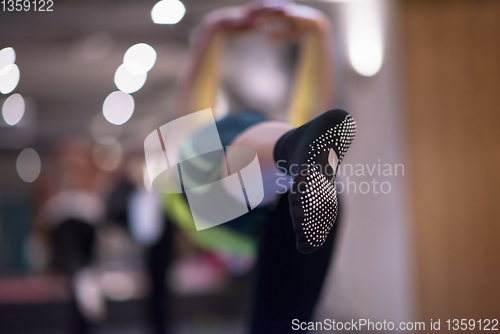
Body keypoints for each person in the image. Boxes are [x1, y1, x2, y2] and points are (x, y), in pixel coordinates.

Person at [163, 2, 356, 332]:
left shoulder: (208, 220)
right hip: (258, 172)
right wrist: (319, 32)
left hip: (217, 185)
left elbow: (190, 110)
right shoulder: (276, 222)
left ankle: (289, 147)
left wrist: (211, 33)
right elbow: (189, 113)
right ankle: (289, 146)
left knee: (232, 168)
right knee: (275, 155)